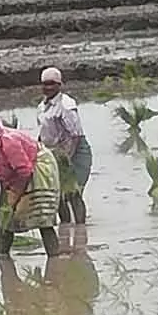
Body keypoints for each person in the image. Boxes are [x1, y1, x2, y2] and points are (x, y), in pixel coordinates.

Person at [0, 108, 61, 256]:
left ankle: (55, 258)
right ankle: (2, 256)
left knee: (40, 216)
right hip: (12, 173)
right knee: (6, 219)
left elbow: (25, 172)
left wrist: (15, 196)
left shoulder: (8, 141)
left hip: (37, 164)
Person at [37, 67, 92, 224]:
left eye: (51, 84)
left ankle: (81, 229)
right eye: (44, 84)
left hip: (75, 151)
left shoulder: (66, 105)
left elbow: (75, 135)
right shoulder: (42, 106)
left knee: (74, 192)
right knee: (58, 194)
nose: (47, 87)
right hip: (53, 152)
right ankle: (66, 226)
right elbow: (43, 133)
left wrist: (66, 159)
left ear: (59, 85)